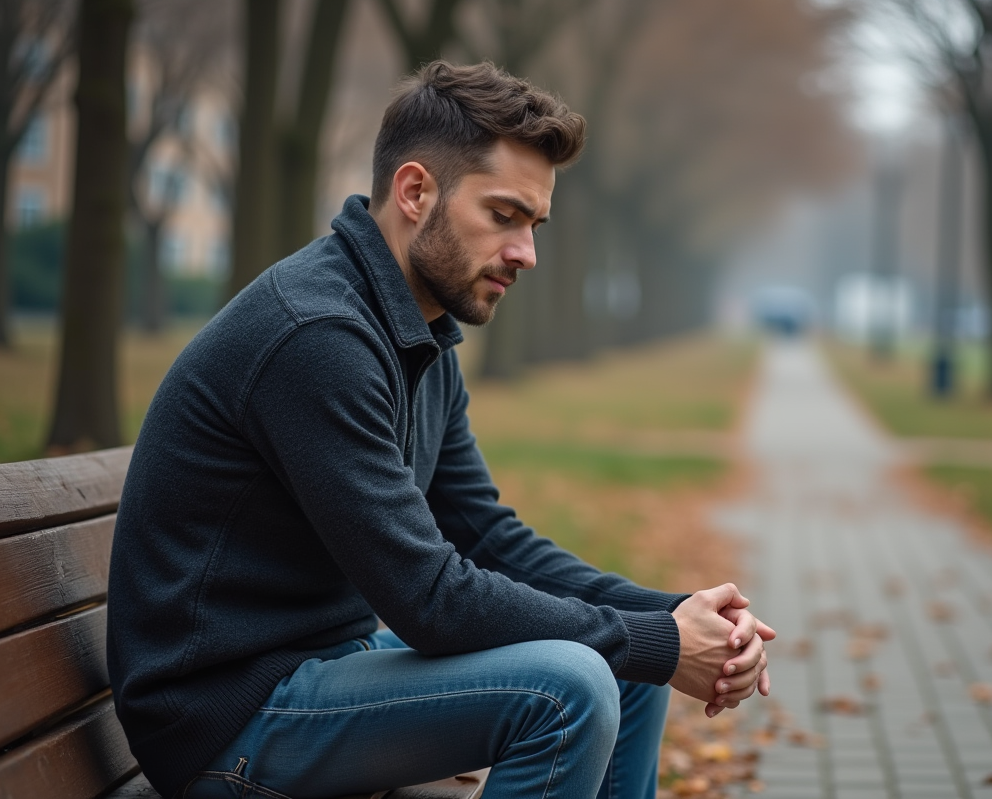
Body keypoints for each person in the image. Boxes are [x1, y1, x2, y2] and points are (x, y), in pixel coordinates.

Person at [107, 60, 773, 799]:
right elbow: (430, 598)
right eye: (503, 216)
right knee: (571, 685)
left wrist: (674, 616)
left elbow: (487, 537)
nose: (527, 254)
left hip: (323, 667)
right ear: (416, 191)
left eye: (534, 223)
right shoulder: (316, 336)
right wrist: (661, 640)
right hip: (225, 723)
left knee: (627, 666)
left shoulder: (415, 332)